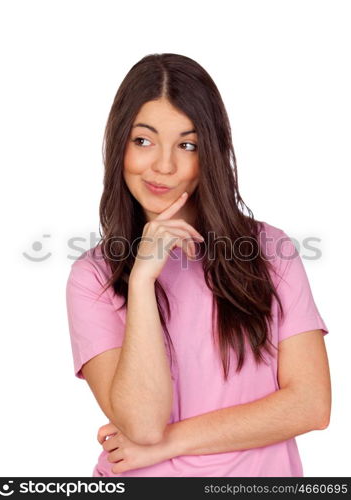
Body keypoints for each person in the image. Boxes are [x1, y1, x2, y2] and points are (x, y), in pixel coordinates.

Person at [65, 53, 331, 477]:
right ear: (119, 146)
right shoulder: (94, 276)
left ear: (211, 153)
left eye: (187, 145)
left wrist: (168, 444)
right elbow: (143, 426)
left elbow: (311, 406)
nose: (164, 166)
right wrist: (142, 281)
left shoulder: (269, 250)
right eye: (143, 140)